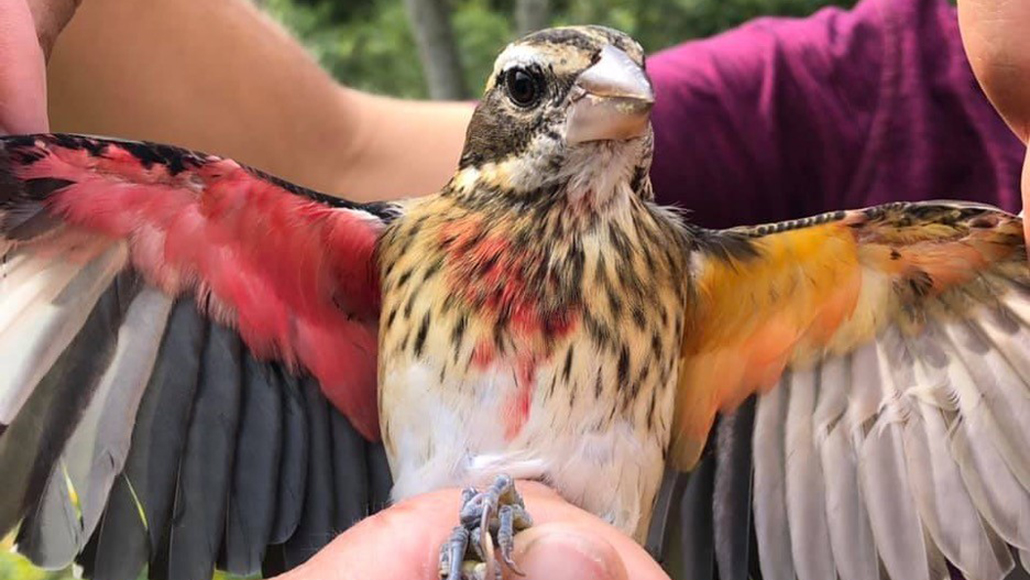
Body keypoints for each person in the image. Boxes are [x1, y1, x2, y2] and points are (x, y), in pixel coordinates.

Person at [0, 0, 1027, 579]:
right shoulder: (369, 257)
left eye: (622, 91)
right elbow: (335, 144)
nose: (608, 103)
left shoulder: (743, 284)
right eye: (538, 90)